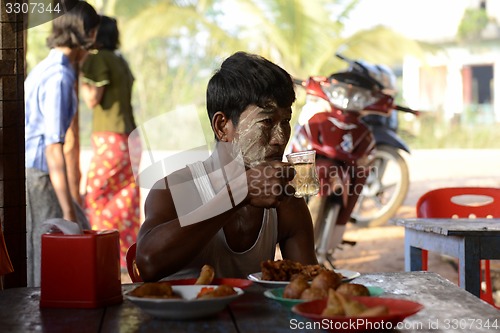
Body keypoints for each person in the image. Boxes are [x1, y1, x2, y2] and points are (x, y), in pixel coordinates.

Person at [136, 52, 318, 282]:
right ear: (222, 126)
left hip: (250, 319)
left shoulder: (285, 203)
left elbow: (310, 287)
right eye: (267, 122)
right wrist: (238, 194)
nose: (280, 138)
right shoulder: (174, 189)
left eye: (286, 121)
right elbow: (148, 263)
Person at [24, 0, 100, 287]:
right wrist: (67, 208)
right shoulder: (58, 77)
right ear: (87, 33)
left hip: (40, 172)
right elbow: (52, 146)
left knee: (75, 228)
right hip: (40, 174)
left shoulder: (50, 68)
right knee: (49, 246)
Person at [80, 16, 142, 269]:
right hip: (133, 140)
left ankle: (100, 259)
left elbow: (92, 98)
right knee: (125, 203)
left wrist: (80, 72)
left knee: (94, 197)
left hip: (111, 140)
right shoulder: (120, 61)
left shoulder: (97, 59)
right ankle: (127, 263)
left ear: (93, 34)